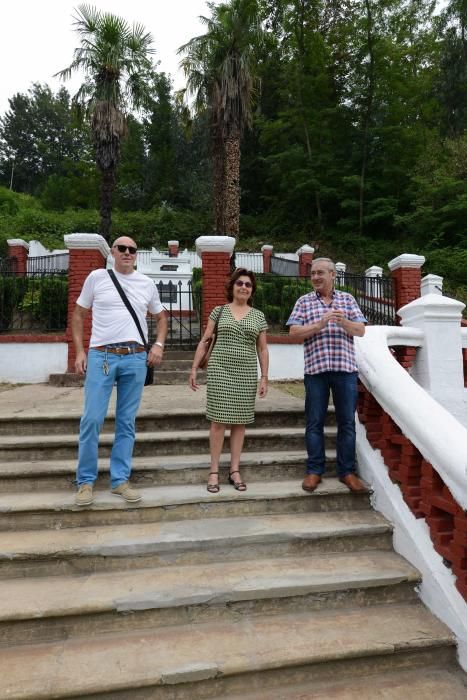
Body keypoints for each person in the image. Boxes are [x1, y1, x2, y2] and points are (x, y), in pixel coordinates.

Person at [72, 236, 168, 506]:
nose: (127, 252)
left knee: (126, 422)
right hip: (101, 355)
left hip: (135, 358)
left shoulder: (146, 283)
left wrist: (158, 345)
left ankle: (120, 481)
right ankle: (86, 482)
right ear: (112, 252)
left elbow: (161, 317)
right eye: (122, 248)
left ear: (136, 254)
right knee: (92, 419)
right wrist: (80, 351)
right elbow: (78, 314)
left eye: (132, 250)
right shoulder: (97, 277)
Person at [287, 257, 368, 493]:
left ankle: (347, 472)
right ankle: (314, 471)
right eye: (313, 273)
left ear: (333, 275)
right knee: (314, 423)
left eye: (320, 272)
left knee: (347, 423)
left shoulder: (348, 299)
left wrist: (344, 322)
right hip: (316, 371)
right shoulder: (303, 302)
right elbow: (293, 332)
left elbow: (361, 330)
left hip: (345, 370)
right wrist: (319, 325)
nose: (315, 277)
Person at [189, 268, 269, 493]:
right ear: (232, 286)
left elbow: (262, 349)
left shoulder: (258, 316)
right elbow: (205, 341)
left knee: (240, 422)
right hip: (220, 370)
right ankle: (213, 470)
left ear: (252, 291)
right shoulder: (219, 311)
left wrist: (264, 377)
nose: (244, 287)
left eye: (248, 285)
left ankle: (235, 469)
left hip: (245, 373)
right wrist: (194, 368)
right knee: (217, 421)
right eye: (240, 283)